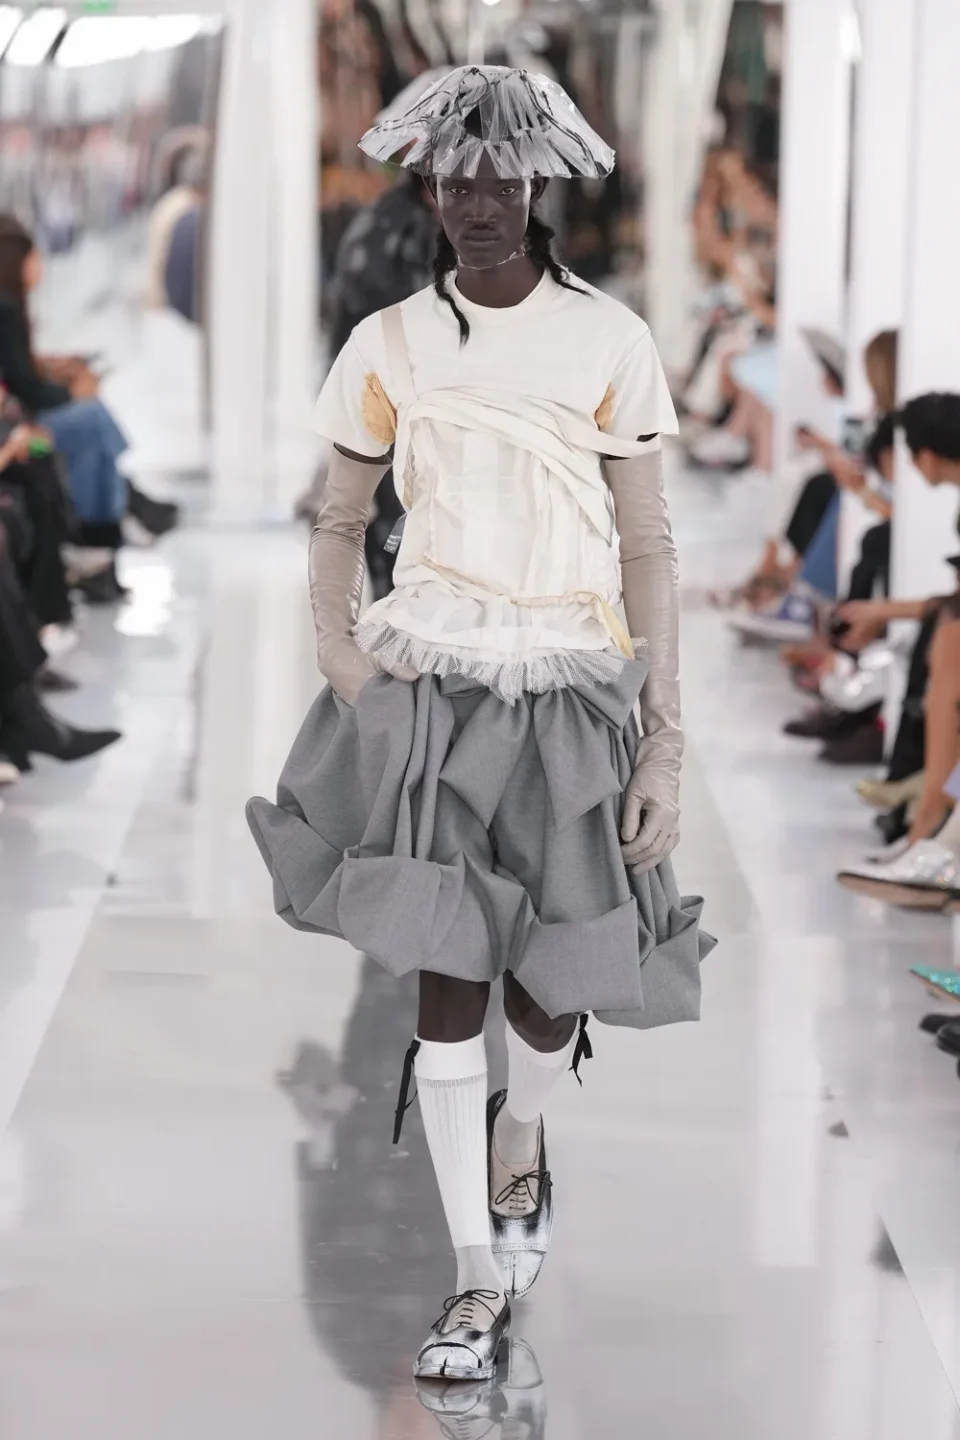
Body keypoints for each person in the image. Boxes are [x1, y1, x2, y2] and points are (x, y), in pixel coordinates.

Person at [248, 65, 713, 1381]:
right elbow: (340, 517)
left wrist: (664, 738)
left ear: (539, 182)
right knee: (444, 973)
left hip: (571, 679)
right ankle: (471, 1278)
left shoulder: (609, 341)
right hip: (437, 679)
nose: (479, 201)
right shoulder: (389, 342)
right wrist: (344, 660)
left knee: (550, 988)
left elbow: (648, 545)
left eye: (502, 178)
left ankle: (523, 1131)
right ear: (430, 190)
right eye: (456, 180)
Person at [0, 216, 177, 596]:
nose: (41, 267)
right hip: (19, 427)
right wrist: (73, 392)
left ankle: (114, 522)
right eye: (34, 258)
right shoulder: (6, 311)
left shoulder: (11, 309)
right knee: (90, 422)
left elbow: (20, 376)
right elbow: (27, 390)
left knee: (91, 432)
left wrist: (58, 370)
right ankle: (112, 521)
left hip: (17, 419)